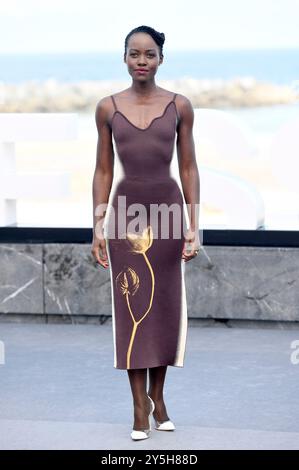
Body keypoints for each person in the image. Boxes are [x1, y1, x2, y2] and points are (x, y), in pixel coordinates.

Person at [91, 25, 200, 441]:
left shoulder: (180, 106)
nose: (142, 60)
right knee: (133, 306)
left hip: (168, 213)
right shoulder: (107, 108)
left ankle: (159, 397)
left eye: (149, 54)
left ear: (160, 59)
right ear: (124, 58)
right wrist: (97, 226)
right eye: (134, 54)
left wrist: (193, 226)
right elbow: (102, 170)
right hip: (124, 214)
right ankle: (139, 406)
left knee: (166, 308)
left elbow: (188, 168)